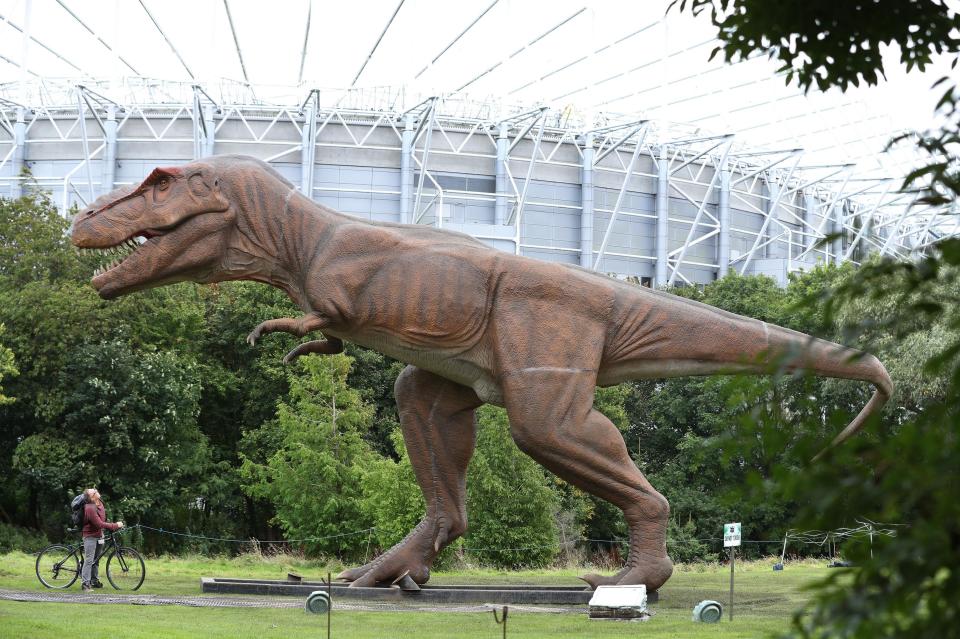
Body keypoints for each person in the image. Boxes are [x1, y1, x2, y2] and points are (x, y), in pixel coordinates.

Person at [80, 488, 123, 592]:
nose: (96, 491)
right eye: (94, 492)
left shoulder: (100, 502)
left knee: (96, 559)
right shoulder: (90, 507)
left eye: (95, 490)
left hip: (99, 535)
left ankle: (94, 581)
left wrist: (110, 525)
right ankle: (85, 584)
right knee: (89, 560)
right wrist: (115, 525)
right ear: (91, 497)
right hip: (90, 536)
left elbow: (102, 519)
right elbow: (98, 524)